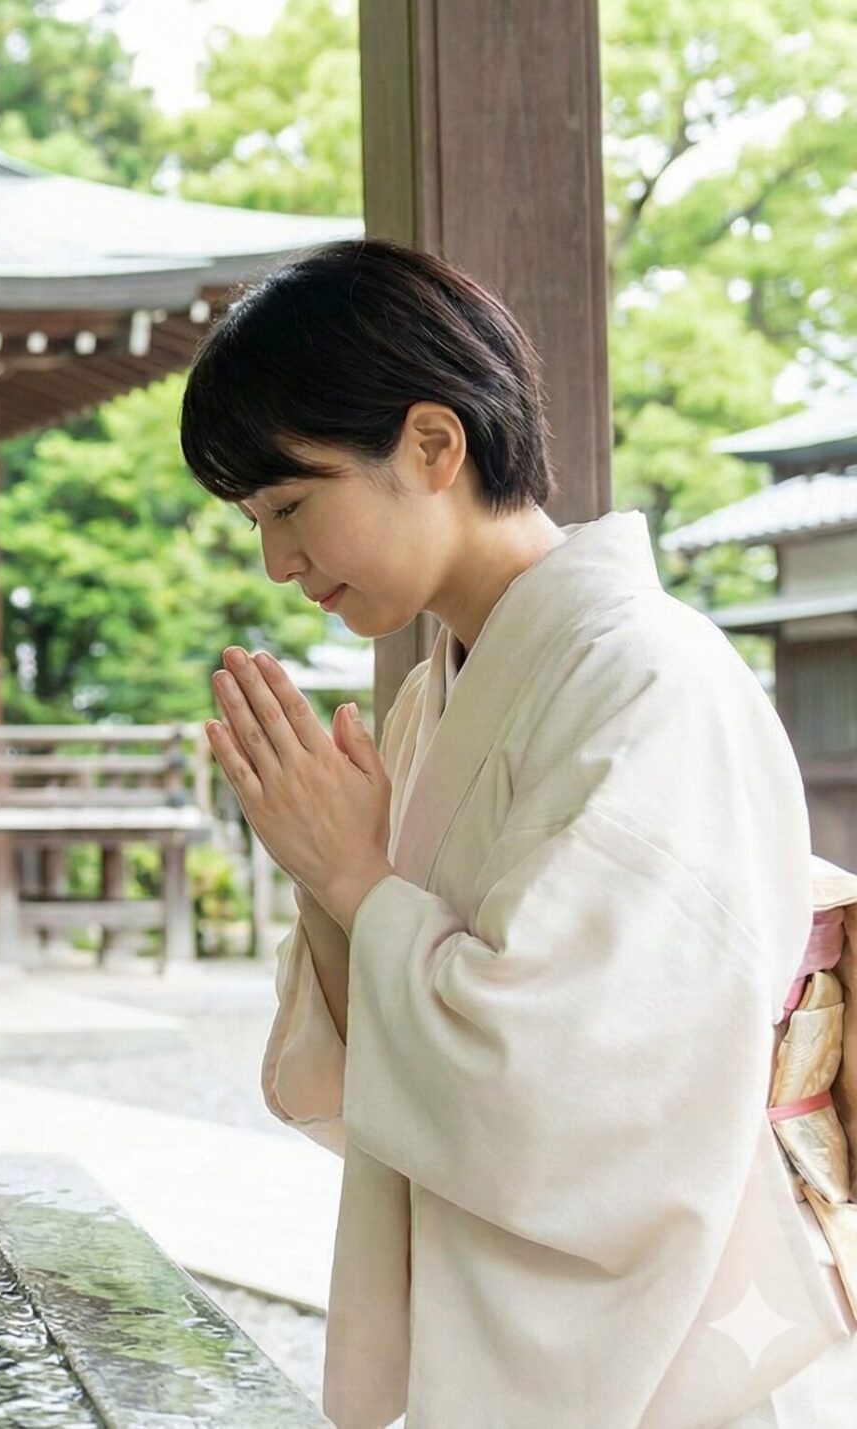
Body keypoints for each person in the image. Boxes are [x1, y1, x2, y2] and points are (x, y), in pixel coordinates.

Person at [180, 238, 857, 1427]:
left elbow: (580, 1085)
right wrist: (325, 876)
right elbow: (372, 1073)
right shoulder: (427, 702)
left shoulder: (651, 680)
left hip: (675, 1357)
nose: (278, 562)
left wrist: (355, 875)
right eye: (254, 521)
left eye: (289, 505)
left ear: (430, 445)